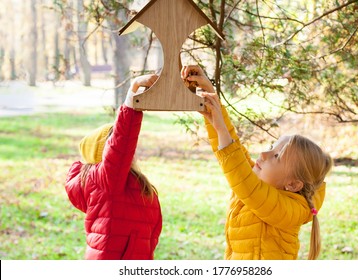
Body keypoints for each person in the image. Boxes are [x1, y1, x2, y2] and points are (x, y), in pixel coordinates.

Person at [181, 65, 333, 260]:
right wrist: (210, 96)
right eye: (272, 146)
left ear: (293, 184)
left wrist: (220, 127)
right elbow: (234, 152)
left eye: (277, 156)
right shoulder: (258, 185)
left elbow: (240, 174)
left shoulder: (288, 211)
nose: (263, 154)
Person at [65, 74, 162, 260]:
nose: (130, 149)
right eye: (113, 143)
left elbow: (151, 236)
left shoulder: (135, 184)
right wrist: (133, 92)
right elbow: (122, 139)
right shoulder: (105, 180)